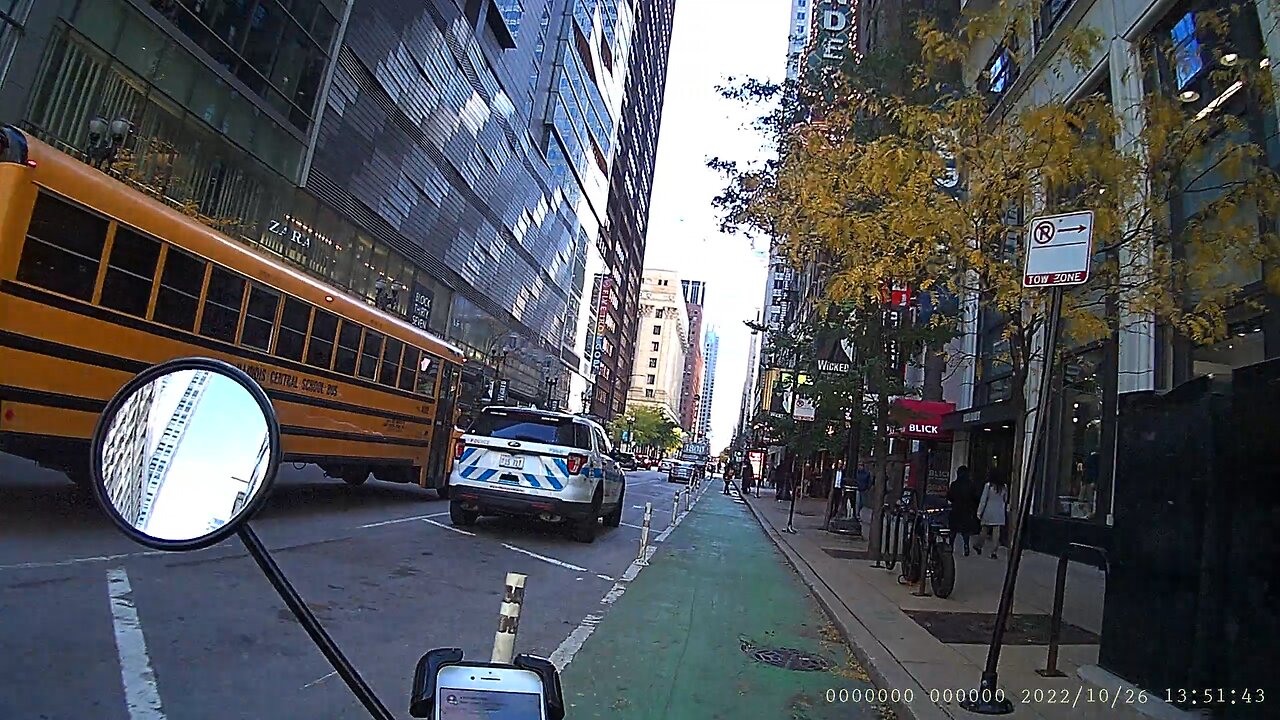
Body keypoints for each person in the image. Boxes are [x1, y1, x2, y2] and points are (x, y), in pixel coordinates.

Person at [974, 470, 1009, 559]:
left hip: (988, 511)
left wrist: (979, 512)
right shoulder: (1004, 487)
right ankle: (994, 552)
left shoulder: (988, 486)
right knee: (996, 534)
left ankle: (979, 545)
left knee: (984, 531)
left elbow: (983, 500)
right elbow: (1005, 499)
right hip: (999, 512)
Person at [947, 465, 981, 556]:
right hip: (966, 510)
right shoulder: (971, 485)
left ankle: (951, 545)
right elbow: (976, 498)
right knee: (965, 531)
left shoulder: (954, 484)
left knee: (953, 530)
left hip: (955, 509)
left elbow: (950, 497)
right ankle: (966, 546)